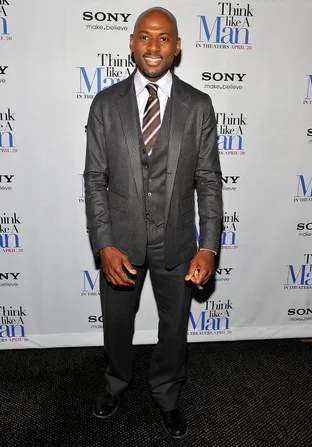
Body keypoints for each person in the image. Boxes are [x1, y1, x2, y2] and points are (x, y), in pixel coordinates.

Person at [84, 7, 223, 439]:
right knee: (117, 323)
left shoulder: (198, 105)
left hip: (178, 240)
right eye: (145, 37)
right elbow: (94, 179)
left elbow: (208, 180)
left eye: (164, 38)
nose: (154, 46)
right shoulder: (106, 103)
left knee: (174, 326)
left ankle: (167, 394)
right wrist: (104, 244)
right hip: (121, 242)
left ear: (177, 47)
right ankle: (115, 384)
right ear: (131, 43)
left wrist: (209, 245)